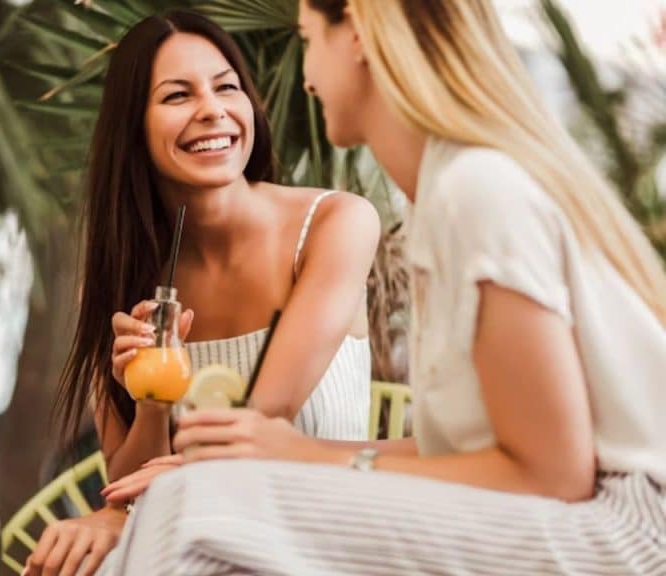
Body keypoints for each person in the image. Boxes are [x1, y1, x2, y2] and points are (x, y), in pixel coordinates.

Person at [97, 0, 666, 573]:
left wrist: (301, 456)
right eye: (178, 94)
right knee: (191, 505)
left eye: (308, 39)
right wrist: (293, 454)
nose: (306, 75)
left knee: (195, 512)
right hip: (586, 515)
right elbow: (469, 456)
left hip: (628, 532)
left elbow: (551, 475)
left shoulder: (477, 190)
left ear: (359, 36)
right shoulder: (445, 194)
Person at [26, 9, 380, 576]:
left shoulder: (335, 224)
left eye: (226, 87)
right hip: (195, 545)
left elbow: (261, 422)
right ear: (133, 126)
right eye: (177, 96)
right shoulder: (121, 274)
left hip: (320, 538)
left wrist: (125, 515)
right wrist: (151, 404)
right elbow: (130, 485)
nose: (212, 110)